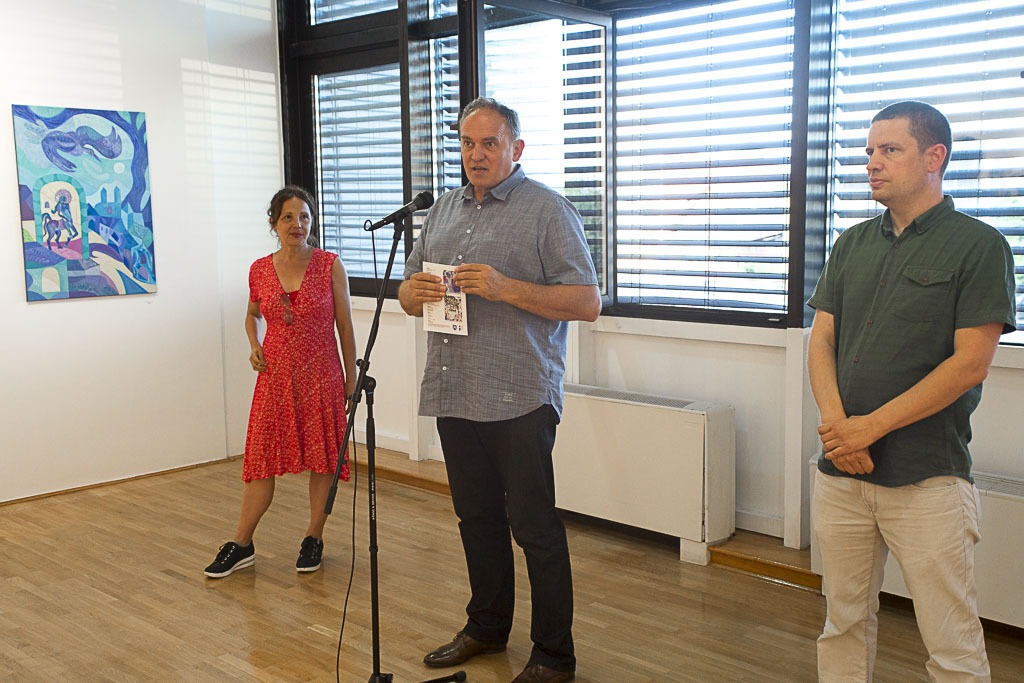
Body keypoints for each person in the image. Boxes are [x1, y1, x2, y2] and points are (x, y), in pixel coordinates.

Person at [807, 101, 1016, 680]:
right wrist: (839, 429)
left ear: (934, 157)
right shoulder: (851, 243)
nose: (872, 163)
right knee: (842, 623)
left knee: (952, 643)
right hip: (842, 473)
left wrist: (867, 429)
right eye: (869, 151)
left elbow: (969, 365)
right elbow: (821, 340)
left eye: (889, 150)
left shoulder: (979, 246)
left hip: (927, 478)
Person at [399, 97, 601, 683]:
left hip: (519, 397)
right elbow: (409, 292)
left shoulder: (548, 211)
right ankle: (486, 627)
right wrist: (416, 293)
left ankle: (553, 656)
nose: (477, 154)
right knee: (476, 518)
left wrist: (505, 287)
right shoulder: (442, 210)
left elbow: (587, 302)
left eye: (490, 143)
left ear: (516, 148)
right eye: (468, 143)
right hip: (455, 390)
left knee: (534, 528)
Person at [204, 186, 357, 578]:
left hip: (321, 374)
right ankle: (241, 543)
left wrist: (351, 379)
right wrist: (254, 344)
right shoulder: (259, 269)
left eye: (304, 217)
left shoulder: (329, 265)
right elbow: (252, 314)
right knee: (260, 459)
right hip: (275, 378)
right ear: (273, 223)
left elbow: (345, 325)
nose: (297, 224)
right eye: (288, 217)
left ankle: (313, 537)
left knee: (322, 459)